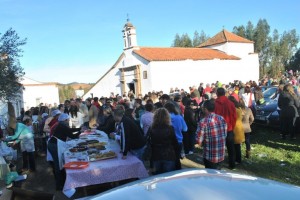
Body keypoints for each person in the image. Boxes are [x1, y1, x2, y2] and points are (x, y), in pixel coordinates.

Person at [48, 113, 82, 190]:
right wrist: (80, 132)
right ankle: (59, 185)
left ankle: (61, 181)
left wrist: (79, 128)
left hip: (53, 144)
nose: (69, 120)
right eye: (68, 119)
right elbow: (73, 136)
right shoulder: (63, 126)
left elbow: (70, 130)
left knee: (58, 163)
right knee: (58, 164)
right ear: (65, 120)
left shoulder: (61, 124)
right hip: (54, 145)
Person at [197, 100, 227, 169]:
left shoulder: (203, 121)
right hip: (221, 154)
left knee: (210, 177)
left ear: (205, 109)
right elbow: (225, 134)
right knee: (218, 175)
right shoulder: (221, 118)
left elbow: (198, 140)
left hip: (210, 155)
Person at [147, 108, 179, 174]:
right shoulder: (170, 128)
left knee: (157, 177)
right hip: (168, 155)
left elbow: (147, 140)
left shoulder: (151, 128)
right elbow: (175, 142)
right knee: (168, 178)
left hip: (156, 155)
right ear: (167, 117)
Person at [214, 88, 237, 169]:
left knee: (218, 148)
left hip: (218, 129)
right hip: (229, 129)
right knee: (231, 148)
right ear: (224, 93)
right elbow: (234, 117)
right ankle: (232, 164)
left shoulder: (215, 104)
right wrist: (232, 127)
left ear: (217, 94)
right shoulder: (231, 103)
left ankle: (218, 164)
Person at [164, 102, 187, 169]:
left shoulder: (165, 119)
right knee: (177, 158)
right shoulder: (179, 117)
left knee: (169, 159)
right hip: (179, 141)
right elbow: (185, 129)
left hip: (168, 141)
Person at [228, 96, 245, 164]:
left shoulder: (234, 109)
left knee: (235, 146)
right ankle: (238, 159)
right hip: (239, 127)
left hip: (235, 128)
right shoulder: (239, 108)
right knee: (237, 146)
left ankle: (237, 160)